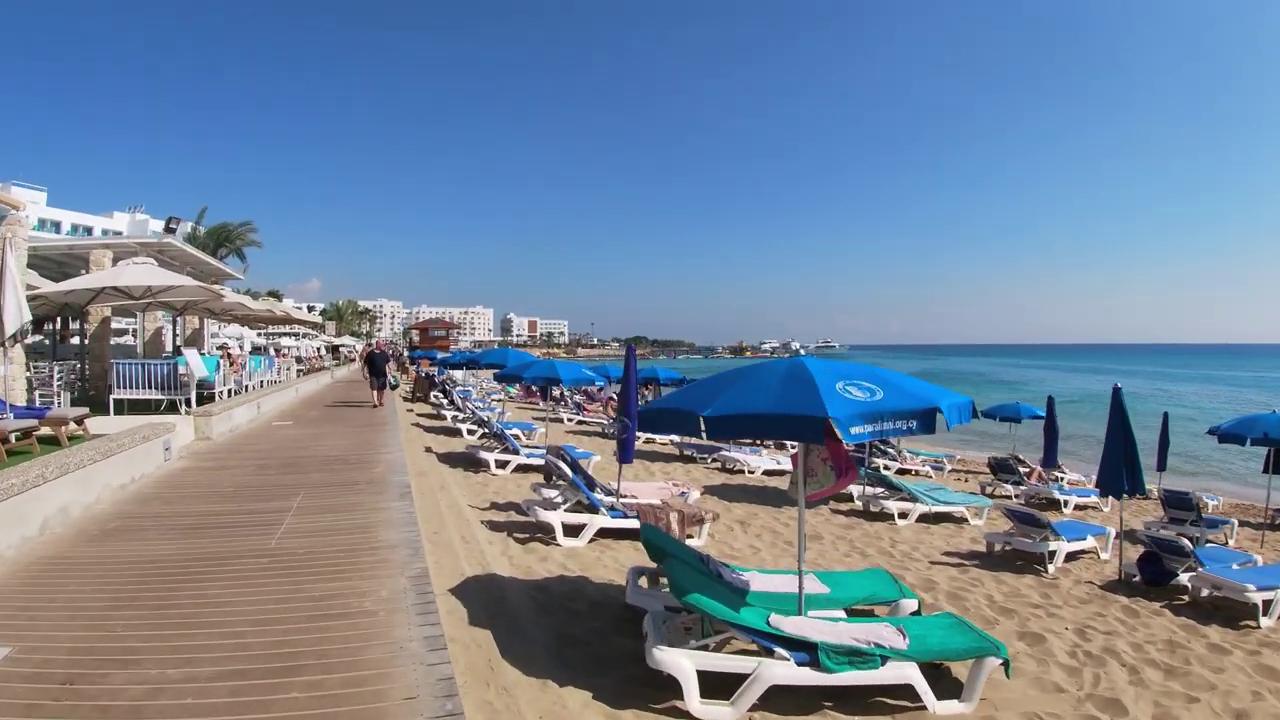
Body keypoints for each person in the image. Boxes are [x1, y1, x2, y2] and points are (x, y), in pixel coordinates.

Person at [362, 340, 395, 407]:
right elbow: (365, 363)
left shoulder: (384, 354)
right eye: (382, 344)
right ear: (377, 345)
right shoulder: (370, 353)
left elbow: (388, 363)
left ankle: (381, 401)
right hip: (373, 375)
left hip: (382, 375)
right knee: (374, 388)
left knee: (381, 389)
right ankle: (375, 402)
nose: (383, 346)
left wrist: (390, 370)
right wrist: (364, 372)